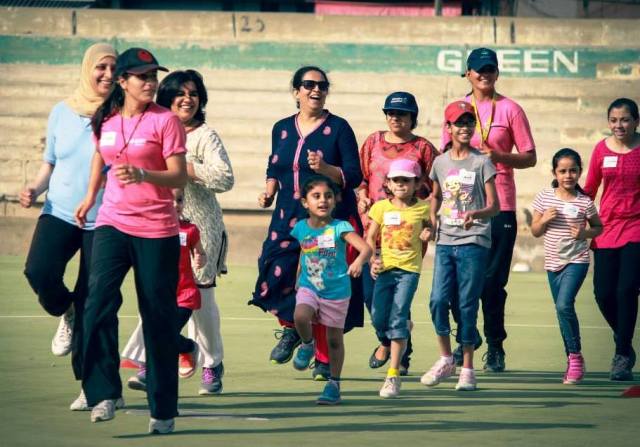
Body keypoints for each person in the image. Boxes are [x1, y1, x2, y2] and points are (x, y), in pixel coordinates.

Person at [74, 47, 187, 434]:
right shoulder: (104, 117)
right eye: (142, 76)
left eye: (154, 76)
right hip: (111, 223)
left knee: (158, 317)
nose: (151, 82)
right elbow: (100, 156)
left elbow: (179, 177)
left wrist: (144, 175)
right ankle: (104, 392)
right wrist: (91, 196)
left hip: (157, 230)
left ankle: (163, 409)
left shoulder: (166, 120)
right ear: (122, 81)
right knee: (97, 302)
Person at [122, 70, 234, 394]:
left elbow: (225, 178)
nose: (187, 99)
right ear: (166, 97)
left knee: (201, 299)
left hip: (202, 231)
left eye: (194, 93)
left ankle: (212, 364)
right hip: (158, 224)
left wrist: (184, 169)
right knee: (158, 296)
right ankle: (154, 359)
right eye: (180, 93)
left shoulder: (205, 136)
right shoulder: (152, 130)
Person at [250, 66, 364, 381]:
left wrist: (327, 168)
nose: (316, 90)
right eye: (309, 85)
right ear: (296, 91)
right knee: (273, 268)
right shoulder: (282, 128)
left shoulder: (339, 128)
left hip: (327, 220)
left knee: (322, 286)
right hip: (287, 214)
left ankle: (325, 360)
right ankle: (291, 328)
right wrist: (269, 190)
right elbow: (275, 163)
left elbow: (354, 175)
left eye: (322, 86)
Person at [21, 43, 118, 411]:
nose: (107, 74)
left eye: (113, 68)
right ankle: (67, 311)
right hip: (59, 211)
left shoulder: (120, 115)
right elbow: (50, 164)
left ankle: (93, 388)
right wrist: (34, 187)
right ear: (87, 68)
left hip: (104, 220)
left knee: (97, 303)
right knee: (39, 271)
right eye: (101, 67)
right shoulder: (61, 112)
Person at [442, 47, 536, 371]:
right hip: (462, 206)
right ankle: (467, 335)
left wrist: (497, 157)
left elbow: (529, 157)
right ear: (467, 73)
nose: (484, 75)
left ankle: (495, 345)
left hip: (500, 205)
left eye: (490, 69)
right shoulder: (455, 109)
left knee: (492, 283)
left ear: (497, 73)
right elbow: (445, 155)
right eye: (478, 70)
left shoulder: (511, 109)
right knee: (454, 281)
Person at [357, 91, 438, 375]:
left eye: (401, 114)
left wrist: (429, 216)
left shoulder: (424, 148)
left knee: (399, 300)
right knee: (372, 295)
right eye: (390, 112)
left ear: (412, 118)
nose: (395, 118)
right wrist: (362, 196)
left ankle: (400, 356)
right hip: (374, 228)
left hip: (407, 231)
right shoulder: (372, 142)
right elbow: (361, 178)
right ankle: (386, 339)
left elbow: (436, 185)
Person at [422, 101, 499, 391]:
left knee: (467, 305)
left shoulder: (482, 162)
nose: (464, 128)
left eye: (469, 123)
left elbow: (495, 206)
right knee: (438, 301)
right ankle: (445, 358)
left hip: (474, 242)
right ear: (449, 128)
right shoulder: (440, 163)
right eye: (459, 123)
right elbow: (435, 196)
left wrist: (475, 214)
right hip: (445, 242)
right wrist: (431, 220)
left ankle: (467, 368)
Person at [290, 175, 370, 404]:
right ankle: (307, 345)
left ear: (335, 201)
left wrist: (358, 262)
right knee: (300, 316)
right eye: (316, 196)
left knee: (334, 340)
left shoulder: (340, 227)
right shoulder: (300, 228)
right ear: (305, 202)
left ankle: (334, 384)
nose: (323, 200)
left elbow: (365, 248)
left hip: (337, 292)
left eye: (328, 196)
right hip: (309, 287)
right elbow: (302, 254)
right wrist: (297, 279)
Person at [122, 188, 207, 390]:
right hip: (160, 295)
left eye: (179, 200)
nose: (176, 204)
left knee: (163, 333)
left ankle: (149, 369)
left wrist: (199, 260)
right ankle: (186, 348)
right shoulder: (150, 228)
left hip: (184, 296)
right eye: (170, 200)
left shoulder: (190, 230)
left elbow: (200, 252)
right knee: (157, 332)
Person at [531, 148, 602, 384]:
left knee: (564, 305)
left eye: (573, 170)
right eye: (562, 171)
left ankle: (575, 357)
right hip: (553, 262)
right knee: (561, 311)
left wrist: (585, 233)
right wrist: (544, 220)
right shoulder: (544, 197)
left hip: (577, 260)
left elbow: (598, 228)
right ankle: (570, 360)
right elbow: (535, 231)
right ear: (554, 173)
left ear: (580, 172)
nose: (568, 175)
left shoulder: (585, 202)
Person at [584, 97, 640, 381]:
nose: (619, 125)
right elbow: (590, 189)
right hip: (607, 229)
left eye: (626, 119)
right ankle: (626, 341)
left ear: (636, 122)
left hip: (637, 228)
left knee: (626, 289)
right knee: (603, 293)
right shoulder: (600, 150)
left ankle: (620, 356)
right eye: (614, 120)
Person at [366, 159, 431, 398]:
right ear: (388, 184)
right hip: (384, 269)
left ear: (416, 183)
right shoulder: (381, 208)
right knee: (377, 318)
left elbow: (433, 228)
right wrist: (373, 259)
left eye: (406, 180)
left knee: (397, 318)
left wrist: (429, 232)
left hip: (408, 271)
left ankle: (392, 375)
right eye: (396, 180)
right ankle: (403, 328)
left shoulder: (423, 208)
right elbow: (371, 235)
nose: (401, 184)